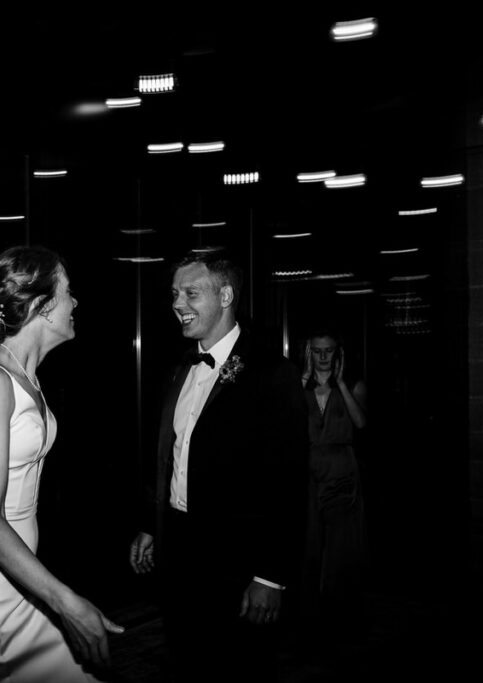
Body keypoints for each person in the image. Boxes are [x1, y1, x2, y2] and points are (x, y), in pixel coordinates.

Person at [0, 245, 123, 682]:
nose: (76, 303)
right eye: (69, 292)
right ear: (41, 305)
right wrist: (68, 601)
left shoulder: (27, 376)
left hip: (19, 585)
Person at [128, 247, 309, 683]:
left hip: (239, 559)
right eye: (174, 293)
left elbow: (287, 482)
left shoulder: (271, 373)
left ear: (226, 295)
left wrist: (270, 576)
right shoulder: (178, 371)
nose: (177, 304)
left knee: (240, 668)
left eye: (191, 293)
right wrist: (153, 524)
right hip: (180, 551)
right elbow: (169, 457)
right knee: (186, 661)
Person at [299, 327, 369, 645]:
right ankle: (311, 616)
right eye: (317, 350)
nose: (323, 357)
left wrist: (340, 383)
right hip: (309, 472)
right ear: (309, 353)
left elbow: (361, 423)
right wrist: (301, 381)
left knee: (341, 550)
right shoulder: (300, 387)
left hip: (341, 470)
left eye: (329, 350)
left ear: (338, 353)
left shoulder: (354, 385)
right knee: (309, 545)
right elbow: (285, 425)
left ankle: (341, 617)